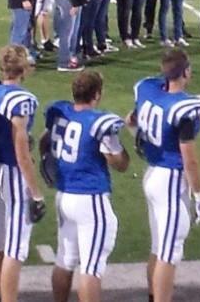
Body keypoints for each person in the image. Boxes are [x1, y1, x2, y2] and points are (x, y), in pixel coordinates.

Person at [130, 49, 200, 302]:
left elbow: (131, 120)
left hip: (152, 174)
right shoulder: (184, 107)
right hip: (171, 180)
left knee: (159, 247)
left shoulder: (148, 90)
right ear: (185, 72)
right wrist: (199, 194)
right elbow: (190, 158)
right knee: (169, 253)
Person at [46, 71, 130, 302]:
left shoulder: (60, 114)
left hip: (64, 195)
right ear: (97, 94)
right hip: (90, 198)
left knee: (65, 259)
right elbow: (118, 162)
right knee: (91, 267)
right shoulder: (98, 122)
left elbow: (46, 143)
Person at [0, 45, 46, 302]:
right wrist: (36, 193)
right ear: (23, 69)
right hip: (13, 174)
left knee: (0, 243)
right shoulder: (21, 100)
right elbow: (21, 152)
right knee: (15, 250)